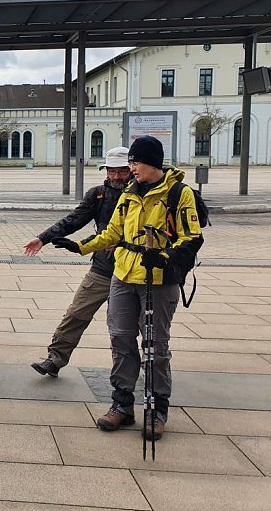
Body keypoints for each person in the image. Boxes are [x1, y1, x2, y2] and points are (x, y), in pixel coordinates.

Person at [53, 135, 203, 441]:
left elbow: (191, 237)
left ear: (151, 163)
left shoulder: (178, 194)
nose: (130, 168)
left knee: (155, 344)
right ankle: (122, 404)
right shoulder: (130, 193)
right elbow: (112, 233)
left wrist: (163, 258)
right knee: (120, 337)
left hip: (157, 280)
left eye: (134, 162)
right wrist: (80, 246)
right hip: (123, 275)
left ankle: (157, 409)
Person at [25, 146, 132, 377]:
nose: (115, 177)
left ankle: (135, 370)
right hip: (103, 267)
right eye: (111, 171)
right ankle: (54, 360)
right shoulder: (98, 194)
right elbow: (74, 220)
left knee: (127, 327)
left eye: (122, 171)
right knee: (76, 313)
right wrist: (43, 238)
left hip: (134, 270)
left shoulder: (142, 195)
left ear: (132, 169)